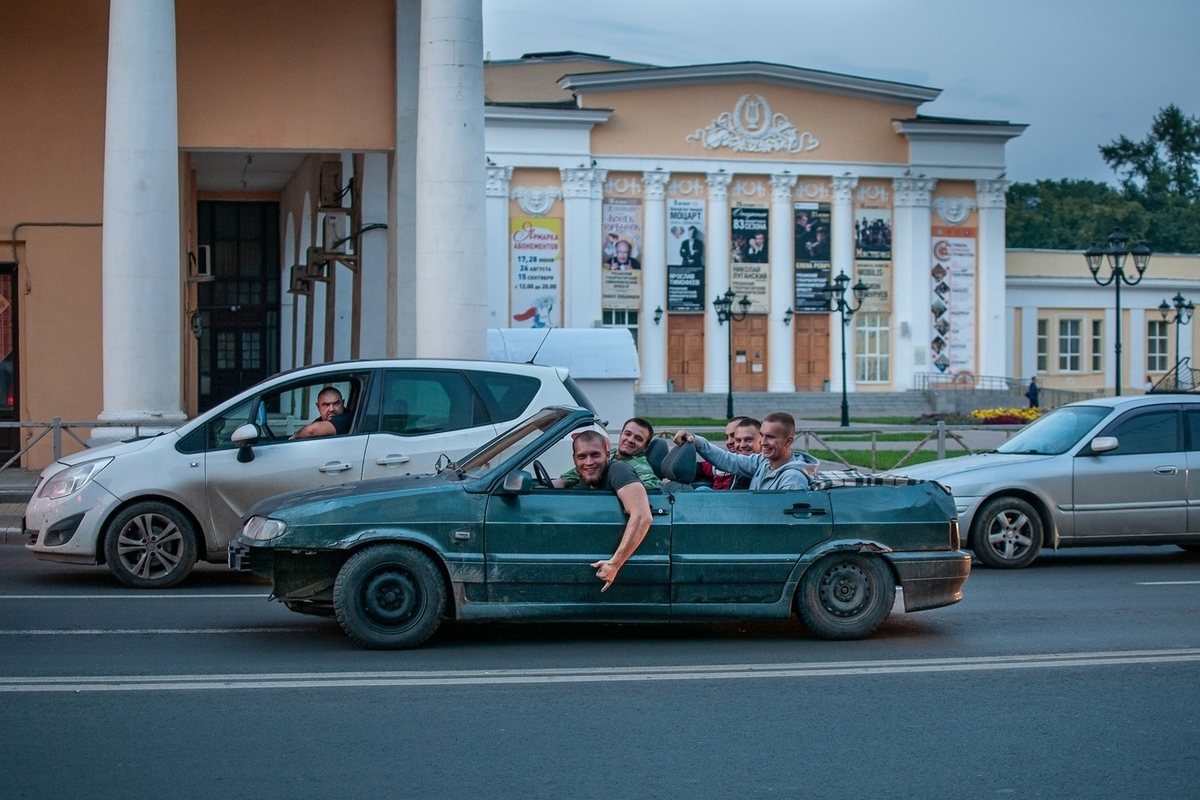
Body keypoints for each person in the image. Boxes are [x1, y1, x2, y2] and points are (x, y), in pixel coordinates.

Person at [567, 430, 653, 592]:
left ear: (607, 455)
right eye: (582, 457)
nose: (589, 462)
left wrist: (614, 563)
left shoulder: (618, 470)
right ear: (574, 459)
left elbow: (642, 516)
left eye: (595, 455)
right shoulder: (586, 477)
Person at [675, 411, 811, 490]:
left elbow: (786, 526)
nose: (763, 442)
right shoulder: (763, 462)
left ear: (789, 441)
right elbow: (727, 460)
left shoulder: (793, 479)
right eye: (762, 435)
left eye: (770, 437)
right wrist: (695, 439)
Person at [557, 418, 661, 490]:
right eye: (627, 434)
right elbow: (567, 478)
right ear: (621, 435)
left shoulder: (640, 466)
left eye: (638, 439)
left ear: (645, 447)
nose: (630, 440)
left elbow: (653, 487)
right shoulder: (609, 454)